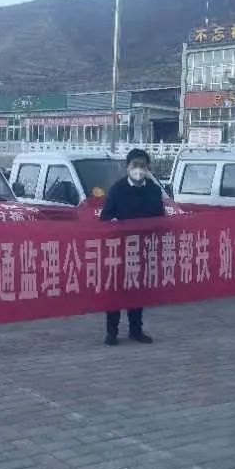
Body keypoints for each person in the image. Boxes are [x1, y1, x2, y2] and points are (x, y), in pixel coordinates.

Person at [100, 148, 165, 346]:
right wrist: (118, 227)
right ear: (127, 167)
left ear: (148, 168)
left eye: (142, 165)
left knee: (137, 291)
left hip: (143, 249)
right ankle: (112, 332)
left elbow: (160, 218)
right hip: (120, 249)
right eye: (135, 165)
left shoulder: (153, 190)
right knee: (116, 291)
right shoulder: (117, 189)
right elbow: (105, 218)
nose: (139, 169)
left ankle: (136, 330)